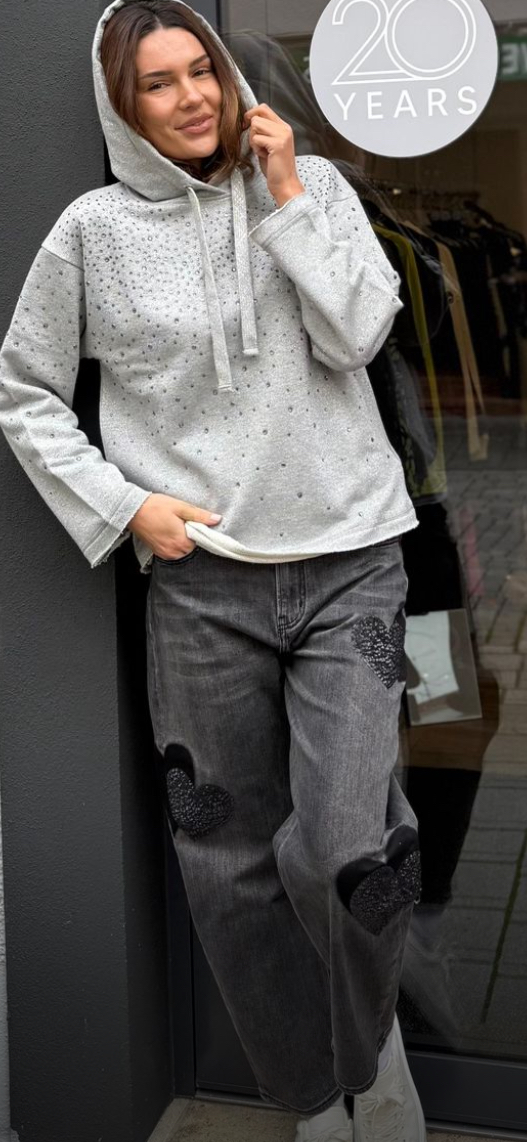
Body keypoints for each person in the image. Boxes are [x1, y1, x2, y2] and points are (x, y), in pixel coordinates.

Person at [0, 2, 427, 1139]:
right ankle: (310, 1099)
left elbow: (360, 334)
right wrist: (126, 505)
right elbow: (25, 390)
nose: (191, 97)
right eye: (158, 82)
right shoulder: (92, 231)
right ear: (122, 105)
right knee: (226, 863)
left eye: (203, 70)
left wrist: (286, 198)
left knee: (345, 846)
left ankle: (371, 1053)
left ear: (230, 76)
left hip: (349, 564)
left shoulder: (314, 186)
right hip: (201, 588)